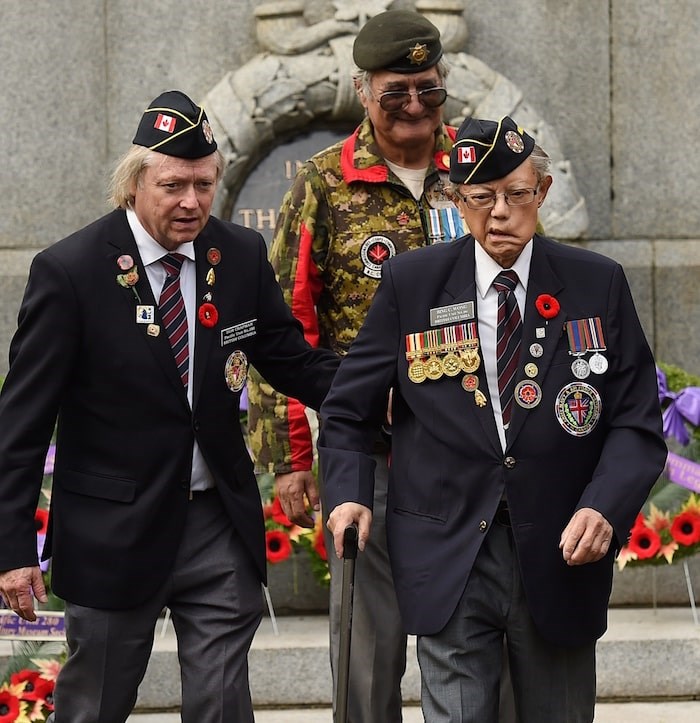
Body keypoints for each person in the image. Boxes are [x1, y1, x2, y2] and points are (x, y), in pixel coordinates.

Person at [0, 90, 338, 723]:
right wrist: (13, 548)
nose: (192, 202)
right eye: (174, 185)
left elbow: (292, 360)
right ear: (134, 184)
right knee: (96, 702)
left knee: (220, 702)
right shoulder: (69, 272)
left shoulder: (235, 256)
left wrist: (389, 393)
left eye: (205, 185)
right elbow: (20, 426)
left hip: (216, 524)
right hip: (113, 531)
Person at [319, 114, 667, 722]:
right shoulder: (414, 282)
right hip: (448, 548)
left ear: (544, 192)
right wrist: (347, 494)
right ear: (457, 200)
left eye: (516, 195)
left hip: (561, 552)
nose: (500, 213)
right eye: (481, 199)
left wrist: (604, 507)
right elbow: (349, 411)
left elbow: (637, 425)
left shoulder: (596, 284)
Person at [245, 9, 480, 721]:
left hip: (471, 449)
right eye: (396, 92)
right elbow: (283, 324)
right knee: (368, 649)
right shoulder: (322, 183)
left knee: (475, 632)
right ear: (362, 89)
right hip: (369, 450)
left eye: (428, 89)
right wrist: (291, 455)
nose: (414, 107)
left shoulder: (477, 172)